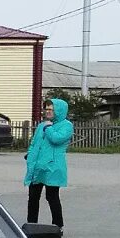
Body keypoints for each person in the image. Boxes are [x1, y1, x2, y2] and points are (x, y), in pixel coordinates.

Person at [25, 97, 73, 229]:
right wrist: (30, 155)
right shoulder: (42, 125)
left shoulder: (66, 125)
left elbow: (57, 139)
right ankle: (31, 225)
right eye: (46, 109)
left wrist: (49, 128)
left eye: (51, 109)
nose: (48, 112)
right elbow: (34, 143)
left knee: (52, 197)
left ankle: (58, 225)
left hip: (53, 166)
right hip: (38, 166)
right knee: (33, 197)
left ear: (59, 110)